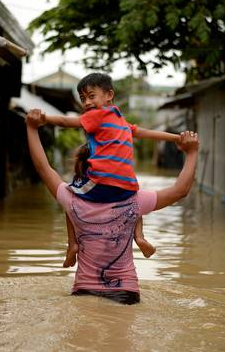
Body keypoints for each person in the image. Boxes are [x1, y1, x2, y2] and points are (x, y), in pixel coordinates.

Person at [26, 108, 199, 305]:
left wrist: (31, 128)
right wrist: (192, 153)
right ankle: (136, 236)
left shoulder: (72, 198)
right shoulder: (134, 200)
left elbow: (43, 167)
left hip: (84, 291)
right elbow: (180, 191)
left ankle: (71, 245)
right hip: (125, 292)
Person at [37, 72, 180, 267]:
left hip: (102, 181)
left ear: (109, 95)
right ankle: (139, 237)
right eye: (83, 98)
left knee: (70, 196)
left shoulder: (97, 115)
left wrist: (43, 118)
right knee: (133, 204)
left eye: (91, 96)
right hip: (127, 185)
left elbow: (65, 122)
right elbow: (145, 133)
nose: (86, 102)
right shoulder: (120, 120)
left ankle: (72, 245)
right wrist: (176, 138)